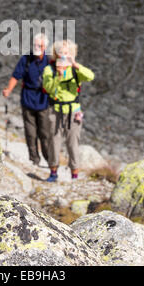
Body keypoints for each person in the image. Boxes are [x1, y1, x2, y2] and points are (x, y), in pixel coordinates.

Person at [42, 39, 94, 182]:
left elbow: (90, 76)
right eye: (60, 52)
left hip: (73, 112)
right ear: (55, 54)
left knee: (73, 143)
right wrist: (59, 76)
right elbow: (48, 88)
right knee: (54, 142)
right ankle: (53, 172)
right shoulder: (49, 70)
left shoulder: (76, 70)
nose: (63, 55)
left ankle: (75, 174)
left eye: (66, 52)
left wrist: (75, 64)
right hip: (55, 110)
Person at [3, 33, 50, 166]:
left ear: (45, 46)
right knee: (30, 133)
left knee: (44, 133)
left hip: (43, 101)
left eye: (40, 45)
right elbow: (16, 76)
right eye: (35, 45)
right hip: (27, 99)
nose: (37, 47)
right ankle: (34, 160)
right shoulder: (26, 59)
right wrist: (9, 89)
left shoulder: (49, 61)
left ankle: (49, 160)